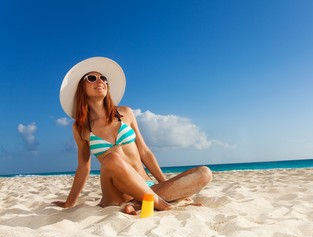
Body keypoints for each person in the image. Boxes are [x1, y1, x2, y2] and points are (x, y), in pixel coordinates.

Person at [53, 57, 212, 215]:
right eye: (92, 78)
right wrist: (69, 203)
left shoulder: (126, 113)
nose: (100, 81)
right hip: (116, 195)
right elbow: (83, 168)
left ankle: (139, 203)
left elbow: (144, 152)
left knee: (205, 172)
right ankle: (163, 204)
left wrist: (167, 184)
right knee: (112, 157)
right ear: (82, 88)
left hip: (147, 186)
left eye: (103, 78)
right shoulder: (81, 128)